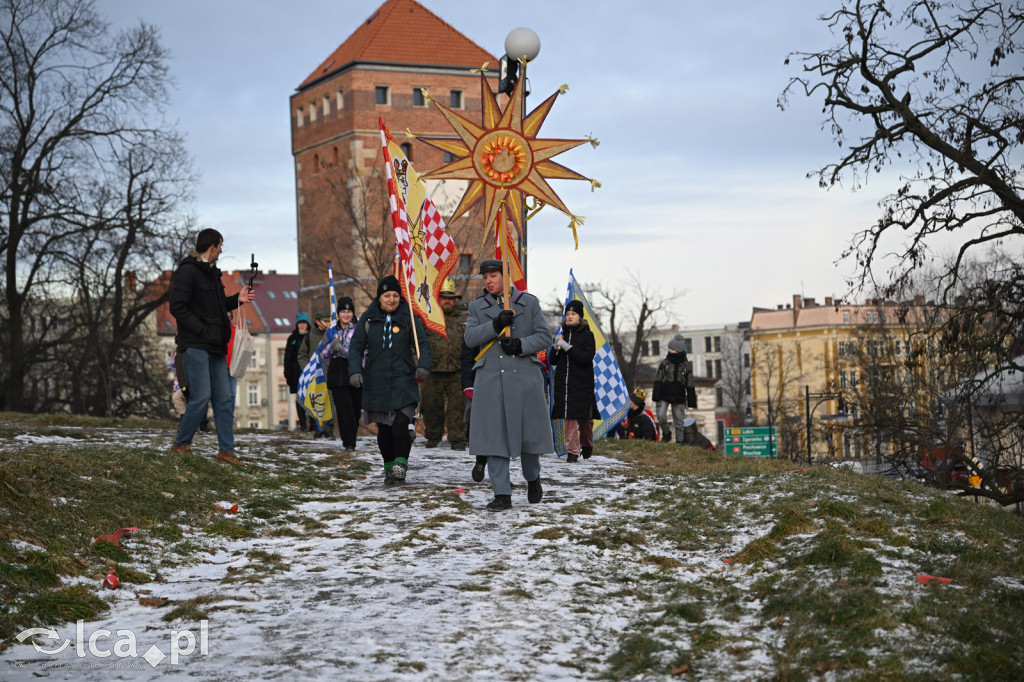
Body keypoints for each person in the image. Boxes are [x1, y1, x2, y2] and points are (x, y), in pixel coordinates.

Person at [464, 259, 552, 511]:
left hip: (525, 379)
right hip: (491, 380)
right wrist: (495, 325)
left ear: (506, 276)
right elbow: (470, 338)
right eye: (485, 277)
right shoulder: (477, 306)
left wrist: (521, 345)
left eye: (493, 275)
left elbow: (544, 336)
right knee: (493, 439)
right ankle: (502, 493)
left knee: (529, 438)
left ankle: (533, 478)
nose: (488, 281)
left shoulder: (529, 303)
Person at [169, 228, 255, 465]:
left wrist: (237, 299)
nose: (222, 250)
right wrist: (201, 330)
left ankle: (226, 451)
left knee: (224, 400)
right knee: (201, 397)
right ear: (212, 247)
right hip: (195, 345)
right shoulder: (188, 271)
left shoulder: (212, 274)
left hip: (216, 346)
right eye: (220, 245)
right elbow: (177, 307)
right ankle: (181, 444)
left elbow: (218, 307)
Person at [348, 276, 431, 485]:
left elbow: (422, 344)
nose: (391, 299)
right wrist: (354, 371)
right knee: (384, 429)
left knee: (401, 425)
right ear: (379, 297)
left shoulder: (409, 317)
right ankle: (389, 466)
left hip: (404, 379)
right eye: (387, 296)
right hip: (376, 381)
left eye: (395, 295)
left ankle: (400, 467)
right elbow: (356, 346)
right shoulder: (368, 319)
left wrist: (424, 364)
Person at [421, 279, 467, 450]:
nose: (447, 301)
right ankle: (433, 437)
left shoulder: (464, 319)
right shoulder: (428, 318)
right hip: (432, 370)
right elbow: (418, 343)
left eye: (450, 298)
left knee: (458, 407)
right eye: (444, 298)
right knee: (431, 406)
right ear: (437, 299)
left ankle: (458, 439)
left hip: (457, 370)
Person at [549, 300, 596, 463]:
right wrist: (555, 346)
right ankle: (573, 451)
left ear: (580, 317)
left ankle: (587, 443)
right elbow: (553, 361)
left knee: (585, 419)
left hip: (582, 383)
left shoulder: (588, 335)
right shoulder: (562, 334)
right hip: (564, 383)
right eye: (568, 314)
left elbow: (585, 358)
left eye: (573, 314)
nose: (570, 317)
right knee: (569, 417)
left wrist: (567, 346)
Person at [321, 297, 361, 450]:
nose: (346, 314)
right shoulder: (332, 330)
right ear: (338, 314)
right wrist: (332, 347)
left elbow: (363, 352)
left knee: (355, 411)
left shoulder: (359, 329)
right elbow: (323, 355)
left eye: (349, 311)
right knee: (344, 411)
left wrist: (343, 350)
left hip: (355, 372)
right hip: (337, 374)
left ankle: (352, 437)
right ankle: (348, 443)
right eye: (343, 311)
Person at [652, 334, 697, 444]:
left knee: (679, 420)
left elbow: (690, 384)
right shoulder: (665, 363)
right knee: (661, 415)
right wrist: (656, 396)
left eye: (672, 349)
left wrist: (691, 401)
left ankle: (680, 441)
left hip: (679, 396)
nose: (669, 350)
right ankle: (667, 433)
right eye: (669, 348)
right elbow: (658, 379)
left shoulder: (686, 366)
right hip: (664, 394)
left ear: (678, 350)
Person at [301, 308, 335, 438]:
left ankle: (329, 429)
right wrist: (307, 369)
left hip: (330, 373)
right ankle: (317, 428)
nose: (328, 323)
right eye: (325, 321)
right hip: (314, 375)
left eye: (329, 321)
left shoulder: (333, 334)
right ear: (317, 322)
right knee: (316, 401)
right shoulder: (309, 336)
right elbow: (302, 355)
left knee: (330, 401)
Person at [460, 338, 488, 482]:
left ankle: (501, 473)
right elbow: (467, 358)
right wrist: (468, 384)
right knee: (478, 426)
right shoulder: (475, 329)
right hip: (480, 381)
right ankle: (480, 461)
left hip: (506, 382)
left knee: (501, 429)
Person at [284, 312, 312, 431]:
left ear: (307, 324)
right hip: (295, 374)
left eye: (304, 323)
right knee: (300, 399)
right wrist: (288, 374)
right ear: (297, 324)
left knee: (312, 398)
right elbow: (287, 358)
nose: (302, 325)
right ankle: (303, 425)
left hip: (310, 372)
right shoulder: (292, 338)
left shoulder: (311, 337)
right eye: (300, 323)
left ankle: (313, 425)